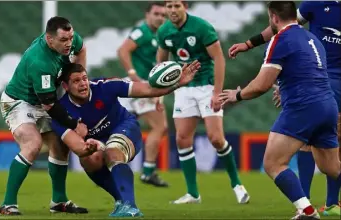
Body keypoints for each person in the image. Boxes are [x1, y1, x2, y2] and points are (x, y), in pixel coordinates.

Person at [220, 2, 341, 219]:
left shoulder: (280, 40)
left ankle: (306, 210)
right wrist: (285, 89)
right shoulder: (314, 39)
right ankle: (308, 209)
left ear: (273, 17)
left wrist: (236, 96)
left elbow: (261, 85)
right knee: (332, 169)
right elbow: (307, 75)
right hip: (328, 105)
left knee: (273, 163)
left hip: (303, 107)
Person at [51, 61, 200, 217]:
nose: (83, 84)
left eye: (84, 78)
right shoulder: (61, 113)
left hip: (125, 128)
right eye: (76, 81)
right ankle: (121, 201)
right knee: (89, 160)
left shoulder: (105, 86)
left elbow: (148, 89)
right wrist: (90, 146)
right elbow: (78, 148)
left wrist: (178, 84)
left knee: (113, 151)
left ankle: (130, 207)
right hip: (99, 142)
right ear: (65, 86)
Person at [156, 0, 250, 204]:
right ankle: (193, 194)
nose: (172, 10)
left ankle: (237, 185)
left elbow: (219, 58)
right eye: (169, 6)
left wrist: (217, 93)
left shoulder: (201, 27)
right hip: (182, 87)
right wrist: (159, 94)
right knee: (182, 138)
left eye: (176, 6)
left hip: (206, 86)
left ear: (185, 7)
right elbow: (161, 63)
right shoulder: (164, 31)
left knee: (216, 138)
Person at [0, 16, 88, 215]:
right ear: (49, 40)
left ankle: (58, 201)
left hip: (44, 100)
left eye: (70, 38)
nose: (69, 43)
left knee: (59, 144)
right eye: (64, 40)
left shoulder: (71, 40)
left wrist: (78, 73)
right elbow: (49, 104)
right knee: (32, 144)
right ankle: (7, 204)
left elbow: (81, 49)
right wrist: (74, 124)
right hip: (18, 102)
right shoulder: (40, 62)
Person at [117, 2, 169, 187]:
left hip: (149, 88)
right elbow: (123, 50)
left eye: (163, 15)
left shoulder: (163, 35)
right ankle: (147, 171)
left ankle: (107, 165)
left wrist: (159, 95)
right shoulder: (143, 32)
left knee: (123, 127)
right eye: (156, 13)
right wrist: (133, 75)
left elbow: (161, 68)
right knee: (159, 126)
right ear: (147, 15)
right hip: (139, 87)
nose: (160, 17)